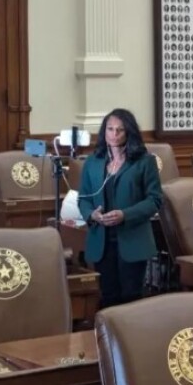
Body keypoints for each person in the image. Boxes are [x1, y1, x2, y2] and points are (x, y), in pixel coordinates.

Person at [77, 109, 163, 308]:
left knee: (131, 298)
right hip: (102, 242)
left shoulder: (144, 162)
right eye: (110, 129)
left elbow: (155, 200)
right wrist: (92, 214)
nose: (114, 134)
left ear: (129, 132)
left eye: (119, 130)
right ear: (104, 131)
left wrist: (125, 215)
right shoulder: (92, 162)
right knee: (107, 297)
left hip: (133, 240)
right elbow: (83, 199)